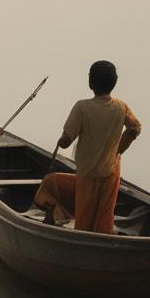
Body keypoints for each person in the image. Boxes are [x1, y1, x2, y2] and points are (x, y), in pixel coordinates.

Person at [33, 60, 141, 233]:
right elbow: (135, 128)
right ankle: (103, 238)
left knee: (51, 184)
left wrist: (61, 140)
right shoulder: (121, 106)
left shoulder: (82, 107)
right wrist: (119, 149)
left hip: (88, 174)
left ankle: (67, 226)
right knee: (103, 217)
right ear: (115, 82)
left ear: (90, 83)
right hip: (110, 173)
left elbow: (66, 141)